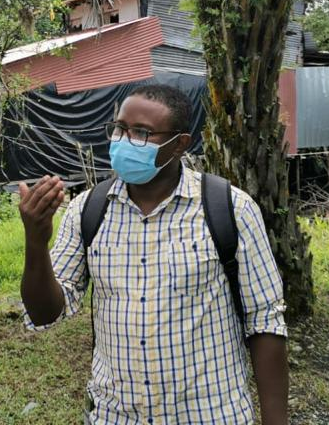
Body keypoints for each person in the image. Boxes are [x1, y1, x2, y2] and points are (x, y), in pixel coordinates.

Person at [19, 84, 289, 425]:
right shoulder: (87, 210)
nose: (123, 141)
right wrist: (35, 241)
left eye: (143, 133)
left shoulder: (230, 208)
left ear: (179, 145)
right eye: (119, 128)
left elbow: (265, 322)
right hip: (115, 416)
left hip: (211, 415)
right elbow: (44, 313)